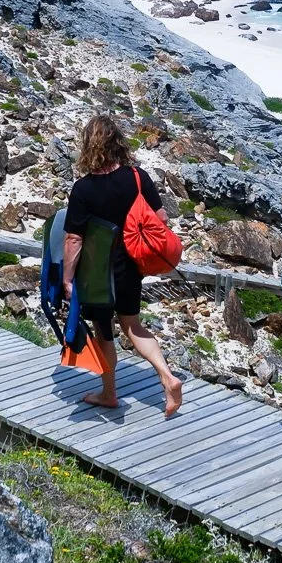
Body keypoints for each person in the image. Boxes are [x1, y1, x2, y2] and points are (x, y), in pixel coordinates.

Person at [60, 114, 187, 417]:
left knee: (104, 332)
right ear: (117, 142)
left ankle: (109, 393)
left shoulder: (83, 189)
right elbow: (161, 220)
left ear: (89, 145)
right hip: (131, 265)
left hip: (97, 272)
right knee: (132, 325)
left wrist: (67, 279)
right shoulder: (137, 177)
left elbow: (73, 240)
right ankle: (167, 378)